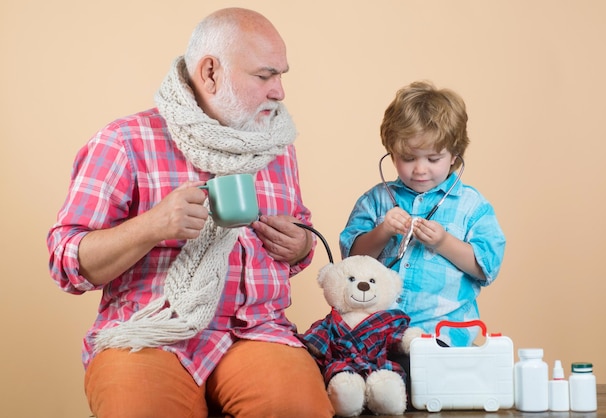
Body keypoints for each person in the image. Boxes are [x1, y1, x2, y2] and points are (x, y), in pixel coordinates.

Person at [47, 8, 334, 418]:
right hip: (146, 330)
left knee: (298, 409)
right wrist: (152, 226)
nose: (279, 92)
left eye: (282, 75)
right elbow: (64, 262)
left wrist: (300, 243)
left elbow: (297, 242)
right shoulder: (124, 141)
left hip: (256, 330)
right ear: (211, 72)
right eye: (265, 75)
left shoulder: (276, 144)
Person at [339, 80, 506, 347]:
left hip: (445, 336)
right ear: (391, 154)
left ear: (454, 155)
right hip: (379, 335)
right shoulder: (376, 200)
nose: (420, 170)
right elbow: (352, 258)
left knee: (434, 387)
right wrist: (382, 232)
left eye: (433, 159)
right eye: (408, 158)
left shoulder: (472, 206)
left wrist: (443, 243)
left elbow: (485, 268)